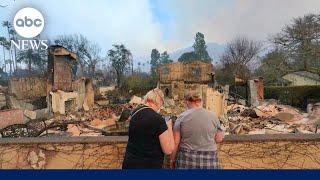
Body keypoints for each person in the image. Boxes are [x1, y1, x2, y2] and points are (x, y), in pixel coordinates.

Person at [170, 90, 224, 169]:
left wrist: (172, 159)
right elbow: (218, 139)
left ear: (187, 102)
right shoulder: (213, 116)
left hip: (187, 159)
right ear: (200, 101)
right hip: (209, 159)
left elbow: (176, 142)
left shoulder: (181, 117)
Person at [122, 88, 174, 169]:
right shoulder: (158, 120)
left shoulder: (135, 113)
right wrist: (169, 126)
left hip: (130, 163)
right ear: (158, 101)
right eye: (162, 103)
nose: (161, 106)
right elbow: (168, 150)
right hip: (149, 165)